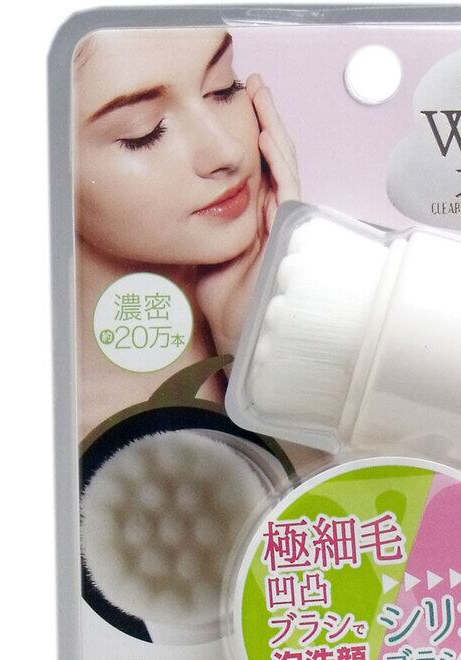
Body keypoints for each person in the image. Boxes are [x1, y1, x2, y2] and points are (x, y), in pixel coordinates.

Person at [73, 27, 299, 435]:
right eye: (144, 133)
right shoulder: (63, 431)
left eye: (222, 88)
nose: (227, 152)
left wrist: (256, 345)